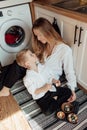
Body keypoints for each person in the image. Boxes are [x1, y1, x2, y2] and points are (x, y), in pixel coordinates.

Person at [0, 17, 79, 114]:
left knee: (15, 66)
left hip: (47, 77)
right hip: (36, 70)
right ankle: (4, 89)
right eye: (36, 35)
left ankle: (5, 89)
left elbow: (69, 72)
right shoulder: (44, 45)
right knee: (12, 66)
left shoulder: (65, 50)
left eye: (39, 35)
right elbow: (39, 61)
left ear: (48, 32)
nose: (38, 38)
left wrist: (72, 90)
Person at [16, 49, 72, 115]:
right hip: (42, 97)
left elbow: (49, 77)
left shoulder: (42, 66)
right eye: (31, 55)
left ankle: (54, 101)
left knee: (68, 91)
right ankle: (56, 101)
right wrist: (44, 88)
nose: (34, 54)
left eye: (32, 53)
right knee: (47, 111)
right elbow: (33, 91)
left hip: (51, 89)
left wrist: (54, 80)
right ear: (27, 63)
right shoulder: (27, 78)